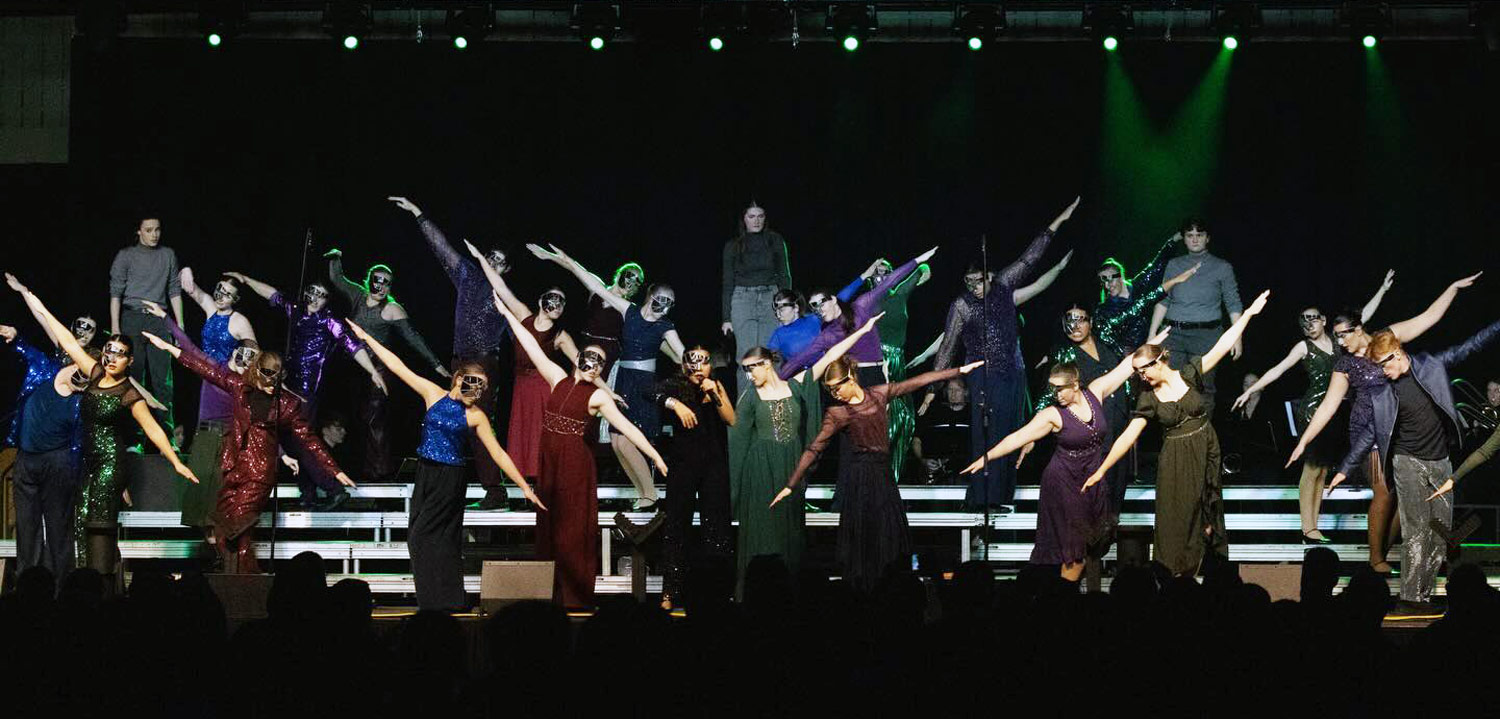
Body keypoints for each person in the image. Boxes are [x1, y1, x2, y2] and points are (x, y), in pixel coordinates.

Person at [9, 274, 197, 588]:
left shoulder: (124, 391)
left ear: (129, 360)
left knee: (90, 526)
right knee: (71, 526)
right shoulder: (90, 371)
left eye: (119, 353)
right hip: (74, 459)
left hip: (104, 463)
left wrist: (176, 461)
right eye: (108, 350)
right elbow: (59, 331)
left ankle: (95, 588)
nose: (111, 356)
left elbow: (151, 428)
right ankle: (62, 588)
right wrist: (27, 293)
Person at [1288, 271, 1481, 573]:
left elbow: (1428, 317)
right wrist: (1304, 441)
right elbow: (1328, 405)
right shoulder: (1344, 364)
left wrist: (1452, 288)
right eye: (1336, 336)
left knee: (1404, 497)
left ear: (1359, 328)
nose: (1339, 341)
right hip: (1367, 431)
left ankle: (1381, 552)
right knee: (1384, 490)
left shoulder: (1386, 338)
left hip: (1399, 427)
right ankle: (1375, 558)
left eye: (1344, 334)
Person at [346, 319, 542, 611]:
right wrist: (365, 338)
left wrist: (524, 487)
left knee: (425, 538)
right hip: (425, 473)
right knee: (431, 540)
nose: (476, 390)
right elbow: (399, 367)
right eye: (473, 382)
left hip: (450, 478)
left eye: (482, 387)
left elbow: (497, 453)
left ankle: (437, 604)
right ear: (459, 378)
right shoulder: (432, 394)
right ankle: (447, 601)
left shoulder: (476, 416)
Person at [772, 323, 984, 592]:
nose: (835, 394)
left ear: (852, 378)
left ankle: (890, 586)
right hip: (860, 475)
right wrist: (791, 484)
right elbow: (814, 448)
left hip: (882, 473)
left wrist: (958, 370)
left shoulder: (878, 394)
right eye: (830, 390)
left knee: (888, 532)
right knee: (863, 536)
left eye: (837, 387)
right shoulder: (838, 414)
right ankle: (863, 588)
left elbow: (916, 382)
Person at [138, 322, 356, 575]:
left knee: (238, 528)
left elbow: (309, 439)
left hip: (259, 474)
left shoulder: (287, 404)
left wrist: (333, 470)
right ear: (257, 371)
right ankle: (242, 582)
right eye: (267, 375)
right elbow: (205, 369)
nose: (272, 382)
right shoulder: (240, 387)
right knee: (222, 532)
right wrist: (167, 347)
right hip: (232, 466)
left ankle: (247, 585)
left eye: (278, 377)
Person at [495, 293, 667, 609]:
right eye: (590, 358)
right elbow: (531, 345)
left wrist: (654, 456)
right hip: (550, 460)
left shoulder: (599, 398)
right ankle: (549, 593)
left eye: (600, 362)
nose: (594, 364)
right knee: (549, 527)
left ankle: (574, 596)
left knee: (571, 530)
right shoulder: (557, 377)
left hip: (575, 464)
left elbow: (628, 429)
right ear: (578, 359)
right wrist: (507, 313)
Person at [1085, 290, 1271, 577]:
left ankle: (1209, 575)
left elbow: (1221, 347)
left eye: (1143, 370)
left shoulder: (1188, 373)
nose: (1141, 376)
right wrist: (1102, 469)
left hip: (1205, 446)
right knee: (1176, 519)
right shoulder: (1148, 398)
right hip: (1175, 458)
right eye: (1136, 372)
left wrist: (1247, 314)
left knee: (1207, 515)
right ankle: (1173, 577)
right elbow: (1128, 436)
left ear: (1160, 361)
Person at [1326, 320, 1500, 609]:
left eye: (1384, 364)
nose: (1382, 372)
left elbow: (1468, 348)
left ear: (1398, 354)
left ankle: (1423, 594)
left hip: (1440, 462)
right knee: (1416, 531)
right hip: (1407, 462)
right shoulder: (1384, 392)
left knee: (1440, 535)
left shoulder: (1431, 367)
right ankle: (1410, 597)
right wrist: (1345, 468)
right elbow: (1370, 431)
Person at [921, 197, 1080, 511]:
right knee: (986, 433)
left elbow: (1030, 258)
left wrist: (1059, 221)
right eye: (969, 282)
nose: (974, 287)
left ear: (989, 276)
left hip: (1012, 373)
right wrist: (930, 392)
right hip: (982, 373)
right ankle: (982, 497)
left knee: (1008, 433)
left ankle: (1001, 495)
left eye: (979, 280)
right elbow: (948, 347)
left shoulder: (1004, 287)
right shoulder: (962, 305)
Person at [962, 333, 1154, 581]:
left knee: (1091, 543)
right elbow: (1016, 437)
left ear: (1075, 384)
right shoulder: (1052, 415)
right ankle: (1062, 596)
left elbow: (1126, 366)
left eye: (1061, 388)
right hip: (1063, 481)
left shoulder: (1095, 393)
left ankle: (1069, 596)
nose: (1056, 394)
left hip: (1091, 475)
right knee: (1073, 546)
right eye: (1053, 388)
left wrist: (1155, 345)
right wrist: (985, 458)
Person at [1231, 271, 1394, 544]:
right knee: (1312, 468)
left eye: (1314, 317)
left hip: (1337, 412)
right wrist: (1251, 389)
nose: (1309, 323)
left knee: (1322, 469)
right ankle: (1308, 528)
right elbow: (1278, 370)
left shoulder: (1339, 340)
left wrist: (1382, 289)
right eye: (1305, 319)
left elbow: (1361, 318)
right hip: (1313, 412)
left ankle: (1312, 527)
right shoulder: (1303, 347)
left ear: (1324, 320)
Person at [530, 243, 684, 512]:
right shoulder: (628, 309)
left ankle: (650, 494)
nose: (632, 281)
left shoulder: (659, 323)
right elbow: (588, 279)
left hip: (630, 374)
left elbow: (669, 347)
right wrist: (561, 257)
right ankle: (644, 493)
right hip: (610, 368)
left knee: (624, 437)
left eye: (638, 278)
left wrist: (694, 368)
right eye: (629, 275)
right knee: (614, 438)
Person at [464, 240, 617, 491]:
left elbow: (586, 364)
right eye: (554, 299)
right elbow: (501, 287)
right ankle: (525, 487)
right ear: (542, 300)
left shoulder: (560, 336)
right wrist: (481, 258)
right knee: (522, 437)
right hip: (521, 388)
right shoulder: (524, 316)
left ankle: (545, 484)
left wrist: (608, 391)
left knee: (540, 438)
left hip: (543, 390)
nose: (558, 305)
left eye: (563, 302)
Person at [390, 196, 515, 503]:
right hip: (460, 362)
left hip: (484, 364)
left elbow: (521, 332)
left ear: (506, 269)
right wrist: (419, 214)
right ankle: (447, 487)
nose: (494, 264)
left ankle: (495, 490)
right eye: (491, 258)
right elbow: (441, 248)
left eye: (501, 262)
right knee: (448, 422)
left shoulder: (504, 294)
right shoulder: (468, 276)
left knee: (477, 424)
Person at [225, 271, 385, 507]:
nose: (315, 298)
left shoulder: (329, 321)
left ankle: (332, 488)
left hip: (307, 392)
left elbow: (352, 345)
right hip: (288, 386)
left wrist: (371, 370)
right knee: (290, 440)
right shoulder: (296, 310)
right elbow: (272, 294)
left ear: (327, 300)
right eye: (312, 292)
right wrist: (247, 280)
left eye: (321, 296)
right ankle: (309, 493)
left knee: (300, 441)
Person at [326, 250, 448, 482]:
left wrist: (436, 364)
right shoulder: (358, 296)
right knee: (358, 418)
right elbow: (337, 279)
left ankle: (380, 472)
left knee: (374, 418)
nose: (381, 286)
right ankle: (362, 469)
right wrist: (335, 257)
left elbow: (413, 338)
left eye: (386, 283)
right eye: (377, 280)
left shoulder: (392, 309)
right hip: (355, 367)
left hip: (380, 369)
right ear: (369, 279)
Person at [174, 269, 259, 534]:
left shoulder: (239, 321)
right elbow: (193, 290)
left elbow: (254, 353)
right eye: (219, 290)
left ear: (236, 299)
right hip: (207, 381)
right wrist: (185, 271)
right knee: (205, 442)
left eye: (228, 294)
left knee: (221, 440)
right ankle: (203, 515)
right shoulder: (212, 308)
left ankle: (221, 514)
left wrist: (236, 370)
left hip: (225, 382)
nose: (221, 296)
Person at [652, 346, 735, 610]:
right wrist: (674, 404)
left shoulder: (717, 385)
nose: (699, 367)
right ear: (685, 364)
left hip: (714, 465)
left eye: (704, 362)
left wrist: (715, 393)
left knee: (717, 527)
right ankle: (670, 591)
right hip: (683, 465)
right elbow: (649, 392)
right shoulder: (676, 385)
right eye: (694, 362)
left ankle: (719, 589)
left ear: (711, 365)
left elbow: (731, 419)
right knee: (677, 526)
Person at [1, 323, 85, 580]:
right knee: (28, 529)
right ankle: (29, 585)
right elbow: (27, 350)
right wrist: (16, 337)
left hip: (58, 462)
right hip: (27, 459)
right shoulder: (45, 370)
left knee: (58, 529)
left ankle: (59, 588)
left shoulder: (82, 399)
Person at [1147, 217, 1244, 413]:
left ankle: (1200, 440)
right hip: (1173, 334)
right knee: (1169, 386)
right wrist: (1152, 336)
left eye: (1199, 235)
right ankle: (1175, 437)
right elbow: (1163, 300)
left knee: (1203, 388)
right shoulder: (1174, 265)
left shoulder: (1222, 267)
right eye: (1190, 235)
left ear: (1207, 238)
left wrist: (1237, 336)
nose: (1195, 239)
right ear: (1184, 239)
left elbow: (1232, 302)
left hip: (1206, 335)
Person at [108, 214, 183, 436]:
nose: (154, 234)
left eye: (157, 229)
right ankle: (134, 437)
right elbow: (115, 293)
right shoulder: (126, 256)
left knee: (163, 379)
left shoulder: (168, 254)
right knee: (133, 376)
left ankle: (166, 436)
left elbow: (174, 290)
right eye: (148, 230)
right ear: (138, 231)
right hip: (132, 318)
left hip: (158, 319)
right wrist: (115, 327)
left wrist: (179, 328)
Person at [1094, 232, 1196, 354]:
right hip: (1128, 357)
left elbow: (1155, 266)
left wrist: (1173, 240)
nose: (1107, 285)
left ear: (1120, 276)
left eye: (1110, 279)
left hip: (1155, 345)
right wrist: (1173, 282)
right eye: (1103, 281)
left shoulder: (1138, 286)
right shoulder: (1104, 310)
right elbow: (1138, 307)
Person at [721, 202, 792, 370]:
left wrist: (786, 306)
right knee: (746, 356)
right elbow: (727, 281)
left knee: (772, 353)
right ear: (743, 219)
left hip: (770, 298)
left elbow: (784, 275)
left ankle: (774, 396)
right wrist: (726, 318)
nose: (756, 221)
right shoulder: (733, 245)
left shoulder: (775, 240)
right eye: (751, 216)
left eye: (760, 216)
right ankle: (747, 397)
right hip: (742, 299)